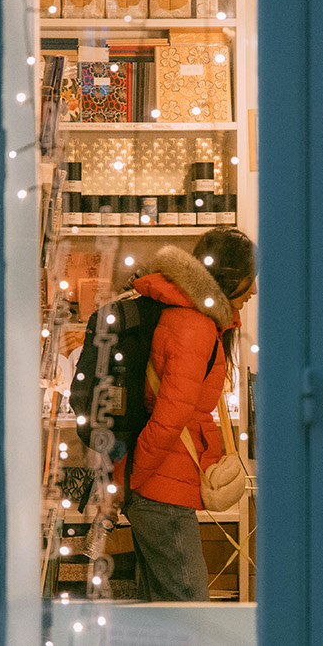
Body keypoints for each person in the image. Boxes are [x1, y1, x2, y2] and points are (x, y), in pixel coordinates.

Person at [124, 226, 257, 601]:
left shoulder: (193, 319)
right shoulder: (195, 326)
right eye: (251, 281)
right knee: (189, 607)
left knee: (162, 611)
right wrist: (137, 479)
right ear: (233, 277)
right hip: (160, 489)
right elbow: (170, 417)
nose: (254, 291)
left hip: (160, 485)